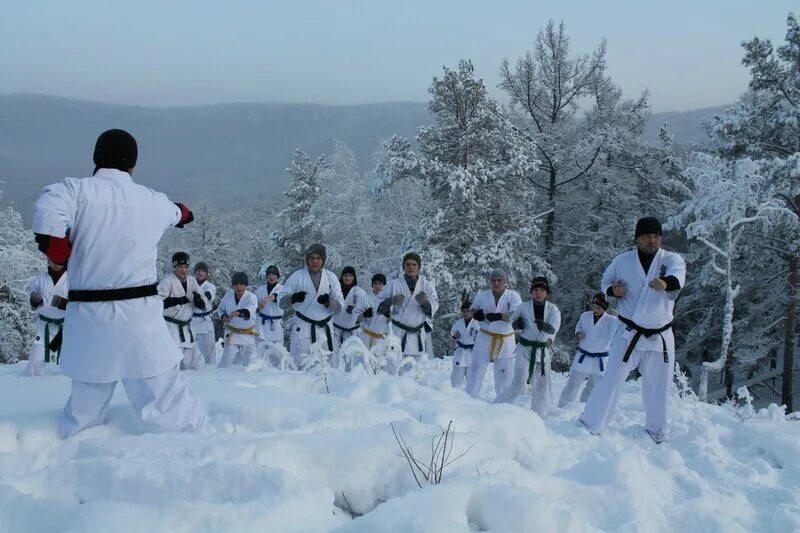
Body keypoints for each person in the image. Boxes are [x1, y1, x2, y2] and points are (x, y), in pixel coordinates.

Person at [32, 128, 204, 437]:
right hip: (140, 316)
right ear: (133, 165)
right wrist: (184, 214)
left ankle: (73, 463)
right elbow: (181, 212)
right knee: (169, 403)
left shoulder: (73, 190)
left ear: (97, 158)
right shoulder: (151, 199)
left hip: (89, 317)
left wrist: (60, 254)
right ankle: (190, 457)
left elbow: (48, 225)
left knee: (85, 408)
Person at [579, 217, 686, 443]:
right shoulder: (623, 261)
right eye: (647, 236)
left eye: (656, 236)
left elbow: (678, 277)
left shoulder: (670, 259)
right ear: (637, 238)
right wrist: (613, 290)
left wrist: (666, 283)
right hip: (629, 333)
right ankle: (591, 423)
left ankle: (657, 431)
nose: (652, 240)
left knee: (659, 386)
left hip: (660, 336)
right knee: (612, 379)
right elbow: (605, 282)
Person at [496, 277, 561, 419]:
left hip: (542, 351)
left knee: (542, 387)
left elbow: (555, 326)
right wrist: (517, 325)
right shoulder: (523, 307)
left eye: (542, 290)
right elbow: (512, 322)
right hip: (525, 349)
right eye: (536, 290)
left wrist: (546, 326)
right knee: (519, 384)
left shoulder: (553, 309)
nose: (538, 293)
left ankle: (538, 417)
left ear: (547, 293)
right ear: (531, 292)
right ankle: (498, 407)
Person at [279, 244, 344, 368]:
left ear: (323, 260)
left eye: (318, 258)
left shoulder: (331, 278)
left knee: (329, 366)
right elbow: (281, 302)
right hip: (303, 327)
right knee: (300, 365)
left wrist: (328, 302)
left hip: (325, 329)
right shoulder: (297, 277)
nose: (315, 261)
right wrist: (293, 298)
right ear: (307, 259)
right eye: (312, 258)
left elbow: (340, 305)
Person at [377, 252, 439, 371]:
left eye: (414, 264)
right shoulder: (394, 284)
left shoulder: (427, 285)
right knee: (395, 369)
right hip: (398, 334)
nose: (411, 267)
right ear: (403, 267)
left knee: (416, 372)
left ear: (419, 267)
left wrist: (424, 303)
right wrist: (391, 300)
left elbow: (435, 305)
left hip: (417, 335)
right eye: (408, 264)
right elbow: (378, 304)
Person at [466, 269, 522, 398]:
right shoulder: (482, 295)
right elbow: (473, 310)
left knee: (504, 376)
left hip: (505, 340)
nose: (496, 283)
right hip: (485, 336)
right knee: (475, 371)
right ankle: (469, 399)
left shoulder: (512, 296)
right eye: (493, 280)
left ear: (505, 281)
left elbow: (516, 314)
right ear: (490, 281)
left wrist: (498, 316)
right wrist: (477, 315)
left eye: (499, 280)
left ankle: (503, 403)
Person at [558, 293, 618, 406]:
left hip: (600, 359)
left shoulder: (612, 321)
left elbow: (623, 326)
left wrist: (617, 315)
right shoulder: (585, 316)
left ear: (604, 308)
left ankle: (587, 407)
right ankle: (563, 406)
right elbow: (579, 326)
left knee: (596, 386)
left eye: (599, 307)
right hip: (583, 356)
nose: (595, 309)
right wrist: (578, 333)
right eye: (594, 306)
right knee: (573, 383)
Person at [158, 252, 205, 370]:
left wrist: (199, 301)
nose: (183, 270)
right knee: (172, 363)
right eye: (180, 267)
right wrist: (175, 300)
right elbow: (157, 303)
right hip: (171, 327)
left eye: (185, 267)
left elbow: (202, 300)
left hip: (187, 328)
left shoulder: (192, 281)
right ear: (174, 267)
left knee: (189, 364)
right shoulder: (167, 282)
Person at [24, 260, 69, 376]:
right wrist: (35, 300)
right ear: (48, 259)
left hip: (64, 328)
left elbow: (79, 304)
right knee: (36, 361)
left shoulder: (72, 279)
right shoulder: (40, 279)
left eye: (59, 259)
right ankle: (32, 386)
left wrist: (63, 303)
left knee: (67, 362)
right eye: (53, 259)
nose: (56, 263)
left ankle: (60, 387)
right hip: (44, 327)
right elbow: (33, 304)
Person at [217, 272, 259, 368]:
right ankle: (221, 379)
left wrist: (240, 313)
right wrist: (224, 316)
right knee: (226, 362)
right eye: (236, 284)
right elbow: (220, 309)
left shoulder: (251, 297)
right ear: (233, 286)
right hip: (232, 333)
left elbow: (251, 309)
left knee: (250, 365)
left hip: (247, 334)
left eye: (241, 284)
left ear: (245, 285)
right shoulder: (228, 297)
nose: (238, 287)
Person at [332, 266, 370, 365]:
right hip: (336, 330)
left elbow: (366, 308)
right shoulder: (336, 290)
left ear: (354, 278)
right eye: (345, 275)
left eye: (350, 275)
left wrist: (355, 310)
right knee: (334, 357)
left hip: (353, 332)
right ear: (342, 277)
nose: (347, 278)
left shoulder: (359, 292)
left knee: (352, 359)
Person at [254, 265, 285, 358]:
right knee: (259, 349)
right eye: (269, 274)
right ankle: (259, 367)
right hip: (262, 323)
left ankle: (276, 370)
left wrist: (271, 298)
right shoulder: (260, 290)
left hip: (275, 323)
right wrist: (258, 307)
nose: (271, 277)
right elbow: (254, 305)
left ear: (278, 276)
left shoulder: (283, 288)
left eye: (274, 274)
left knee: (277, 352)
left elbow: (279, 296)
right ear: (267, 276)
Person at [191, 262, 218, 366]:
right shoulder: (190, 285)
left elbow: (207, 296)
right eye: (198, 271)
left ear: (206, 274)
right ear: (195, 272)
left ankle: (212, 371)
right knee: (189, 351)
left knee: (209, 353)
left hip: (204, 321)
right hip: (191, 321)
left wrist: (199, 298)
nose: (200, 273)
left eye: (203, 271)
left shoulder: (211, 286)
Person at [449, 300, 478, 389]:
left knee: (472, 380)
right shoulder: (458, 323)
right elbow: (452, 335)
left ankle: (472, 398)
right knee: (456, 379)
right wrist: (455, 336)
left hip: (472, 352)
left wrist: (477, 336)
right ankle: (454, 395)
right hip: (460, 351)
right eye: (463, 311)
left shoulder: (477, 323)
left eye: (468, 311)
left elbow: (481, 336)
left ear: (472, 312)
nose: (465, 313)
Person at [360, 273, 389, 349]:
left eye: (380, 283)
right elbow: (355, 319)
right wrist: (364, 315)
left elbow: (395, 319)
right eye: (375, 283)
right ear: (372, 285)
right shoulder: (365, 299)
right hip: (367, 337)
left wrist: (389, 316)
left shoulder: (388, 301)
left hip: (383, 338)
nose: (377, 286)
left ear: (385, 285)